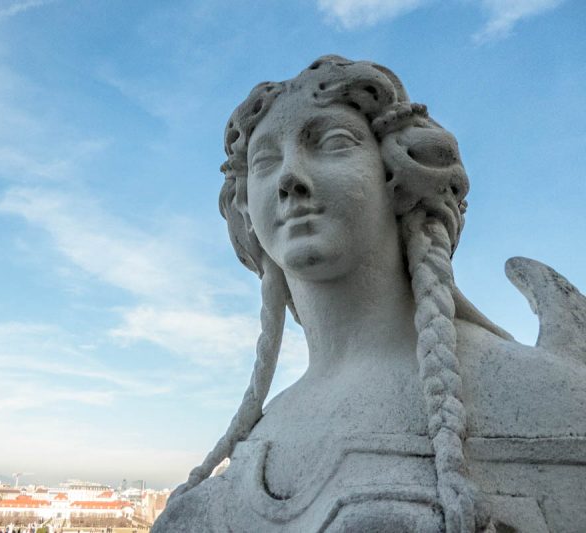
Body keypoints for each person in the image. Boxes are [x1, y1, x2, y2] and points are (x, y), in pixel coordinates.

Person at [152, 55, 586, 533]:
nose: (289, 178)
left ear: (398, 178)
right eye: (265, 161)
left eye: (333, 144)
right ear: (245, 207)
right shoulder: (272, 426)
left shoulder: (531, 391)